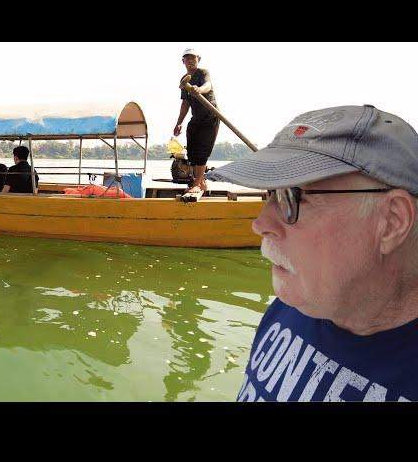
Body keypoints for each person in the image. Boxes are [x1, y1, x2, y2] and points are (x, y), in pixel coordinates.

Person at [205, 104, 418, 402]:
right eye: (272, 193)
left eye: (293, 196)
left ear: (392, 222)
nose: (260, 223)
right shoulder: (292, 305)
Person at [173, 48, 220, 194]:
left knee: (202, 151)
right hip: (197, 119)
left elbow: (208, 85)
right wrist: (179, 122)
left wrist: (199, 89)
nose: (190, 61)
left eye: (193, 58)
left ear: (198, 59)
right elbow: (185, 103)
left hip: (210, 117)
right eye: (187, 59)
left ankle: (197, 183)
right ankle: (201, 182)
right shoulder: (184, 80)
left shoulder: (203, 73)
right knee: (192, 151)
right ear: (183, 61)